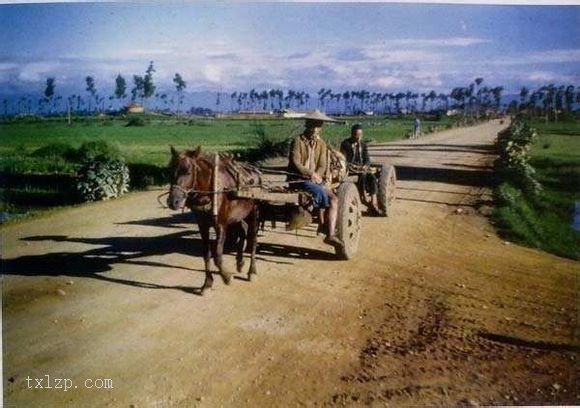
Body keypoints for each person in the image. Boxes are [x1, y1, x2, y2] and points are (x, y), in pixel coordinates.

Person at [287, 110, 343, 248]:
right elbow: (296, 162)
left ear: (321, 128)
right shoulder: (297, 141)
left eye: (318, 126)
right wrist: (310, 174)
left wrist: (317, 175)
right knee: (321, 193)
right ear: (307, 125)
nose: (315, 129)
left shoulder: (322, 144)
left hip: (315, 180)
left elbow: (323, 164)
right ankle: (321, 223)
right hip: (299, 180)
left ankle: (329, 234)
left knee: (334, 199)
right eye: (312, 126)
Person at [340, 124, 379, 214]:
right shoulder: (345, 144)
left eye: (360, 135)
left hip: (362, 169)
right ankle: (364, 197)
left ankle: (373, 201)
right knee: (362, 176)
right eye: (356, 135)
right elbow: (343, 159)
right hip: (351, 169)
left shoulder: (363, 144)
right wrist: (351, 165)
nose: (358, 137)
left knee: (372, 177)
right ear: (352, 134)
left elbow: (367, 159)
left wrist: (366, 165)